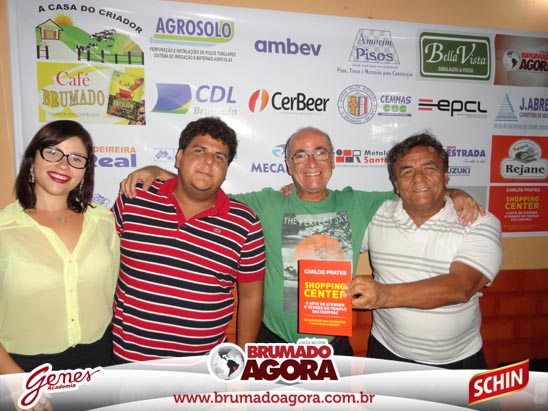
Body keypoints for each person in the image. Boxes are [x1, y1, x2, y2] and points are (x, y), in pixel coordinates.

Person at [120, 127, 481, 356]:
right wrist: (160, 173)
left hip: (332, 347)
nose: (311, 162)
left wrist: (454, 192)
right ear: (289, 165)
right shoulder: (264, 203)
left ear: (333, 161)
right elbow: (204, 188)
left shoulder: (359, 203)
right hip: (272, 342)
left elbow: (417, 190)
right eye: (300, 155)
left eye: (320, 152)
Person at [111, 117, 265, 363]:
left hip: (201, 366)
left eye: (219, 157)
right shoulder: (134, 199)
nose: (208, 161)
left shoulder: (245, 222)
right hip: (128, 360)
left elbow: (251, 297)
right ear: (179, 157)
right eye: (199, 151)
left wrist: (243, 361)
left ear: (226, 170)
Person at [344, 132, 502, 369]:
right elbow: (333, 243)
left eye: (429, 168)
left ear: (445, 176)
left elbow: (462, 286)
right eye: (406, 172)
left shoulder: (479, 221)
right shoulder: (377, 216)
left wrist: (383, 295)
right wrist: (295, 195)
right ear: (396, 185)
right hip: (385, 351)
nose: (418, 178)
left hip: (456, 360)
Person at [0, 120, 120, 410]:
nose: (64, 165)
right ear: (32, 161)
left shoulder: (103, 221)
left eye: (76, 158)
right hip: (22, 369)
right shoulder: (4, 228)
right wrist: (14, 379)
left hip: (99, 363)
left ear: (85, 171)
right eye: (53, 152)